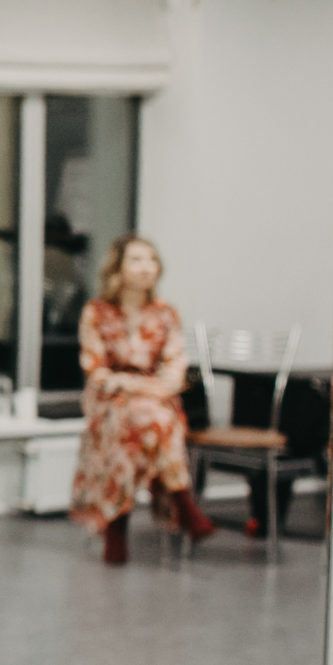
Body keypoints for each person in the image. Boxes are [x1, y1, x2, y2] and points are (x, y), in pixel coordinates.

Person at [67, 233, 218, 564]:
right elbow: (95, 368)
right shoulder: (96, 311)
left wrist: (154, 389)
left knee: (146, 418)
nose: (146, 267)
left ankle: (117, 524)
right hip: (110, 398)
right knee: (143, 418)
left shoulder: (166, 313)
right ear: (117, 267)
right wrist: (136, 386)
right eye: (136, 259)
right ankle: (183, 503)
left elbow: (175, 366)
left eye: (151, 259)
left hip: (155, 396)